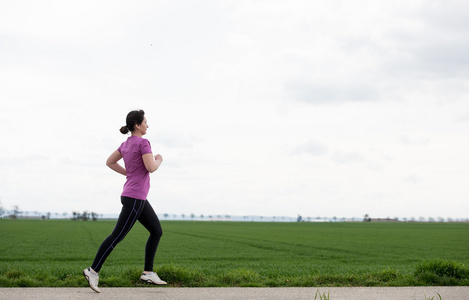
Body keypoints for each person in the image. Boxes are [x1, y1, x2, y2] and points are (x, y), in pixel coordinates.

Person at [83, 109, 166, 293]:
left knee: (156, 231)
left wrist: (128, 173)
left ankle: (148, 273)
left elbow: (110, 162)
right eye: (145, 122)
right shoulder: (143, 143)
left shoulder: (125, 144)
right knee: (117, 236)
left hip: (136, 197)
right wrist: (159, 159)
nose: (147, 125)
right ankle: (93, 271)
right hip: (135, 197)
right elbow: (151, 167)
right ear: (137, 125)